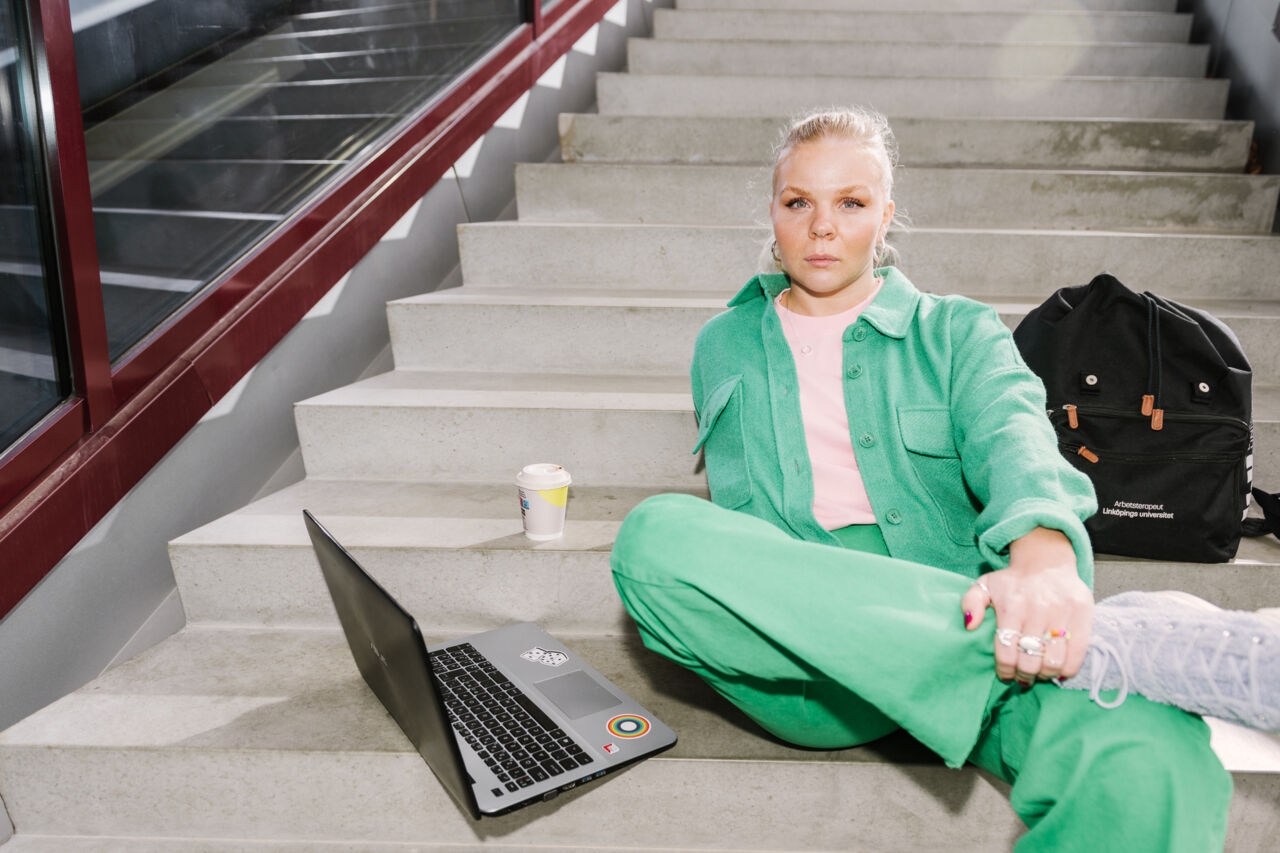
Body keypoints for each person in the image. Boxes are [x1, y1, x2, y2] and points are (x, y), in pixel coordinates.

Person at [608, 107, 1279, 852]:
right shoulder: (723, 343)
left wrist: (1044, 553)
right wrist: (1023, 625)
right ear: (773, 211)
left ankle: (1026, 638)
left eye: (851, 203)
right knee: (651, 539)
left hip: (972, 623)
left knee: (1156, 761)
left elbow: (1015, 434)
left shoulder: (958, 330)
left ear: (886, 216)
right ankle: (1104, 640)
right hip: (810, 658)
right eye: (799, 202)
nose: (822, 227)